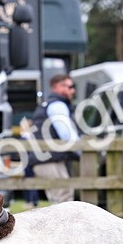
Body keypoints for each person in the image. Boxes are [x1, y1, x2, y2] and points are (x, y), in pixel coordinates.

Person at [28, 74, 79, 204]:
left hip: (47, 158)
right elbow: (66, 134)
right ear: (59, 86)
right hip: (49, 159)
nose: (73, 91)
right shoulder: (58, 105)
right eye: (70, 87)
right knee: (63, 198)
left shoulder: (48, 104)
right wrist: (82, 150)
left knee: (60, 199)